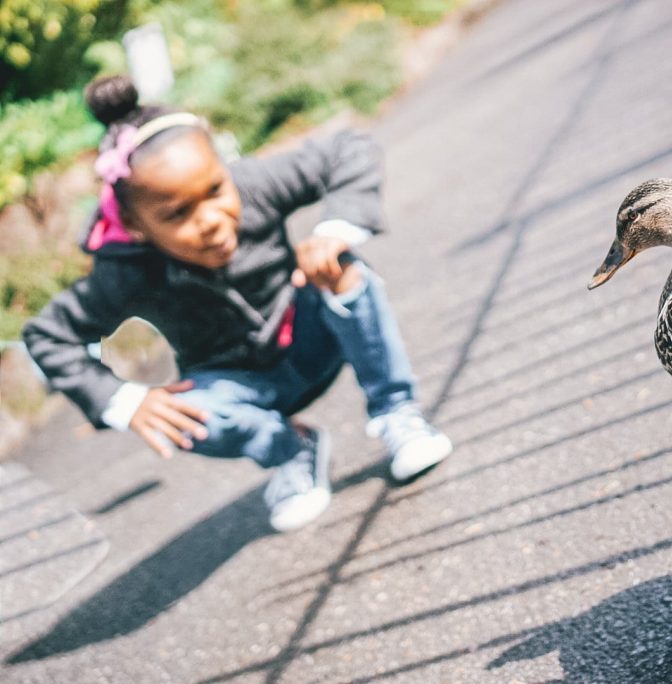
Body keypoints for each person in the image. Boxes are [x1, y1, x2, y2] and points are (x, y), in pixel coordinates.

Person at [21, 75, 453, 532]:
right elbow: (48, 336)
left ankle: (397, 413)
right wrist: (125, 401)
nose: (209, 220)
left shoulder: (252, 186)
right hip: (239, 383)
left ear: (224, 169)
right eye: (177, 214)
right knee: (185, 417)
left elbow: (349, 148)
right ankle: (293, 450)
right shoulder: (125, 269)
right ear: (135, 224)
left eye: (214, 191)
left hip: (312, 336)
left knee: (344, 268)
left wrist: (333, 232)